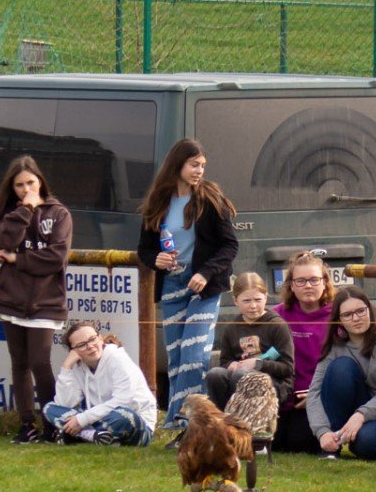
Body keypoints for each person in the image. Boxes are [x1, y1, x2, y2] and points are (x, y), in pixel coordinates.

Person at [136, 138, 238, 434]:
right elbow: (144, 250)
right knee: (177, 356)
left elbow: (230, 245)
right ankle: (180, 420)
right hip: (172, 285)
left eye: (203, 166)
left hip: (204, 286)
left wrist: (206, 273)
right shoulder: (157, 203)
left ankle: (189, 419)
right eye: (194, 165)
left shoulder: (210, 198)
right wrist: (158, 259)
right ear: (177, 165)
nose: (199, 171)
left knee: (195, 354)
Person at [0, 156, 72, 444]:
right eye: (19, 185)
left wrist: (17, 259)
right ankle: (26, 425)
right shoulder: (10, 214)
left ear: (40, 181)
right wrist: (25, 210)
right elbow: (4, 242)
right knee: (19, 362)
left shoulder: (59, 213)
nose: (26, 188)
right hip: (12, 299)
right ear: (11, 188)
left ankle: (51, 422)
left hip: (46, 301)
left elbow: (56, 257)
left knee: (40, 361)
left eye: (30, 182)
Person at [306, 287, 376, 461]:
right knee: (341, 368)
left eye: (360, 311)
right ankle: (333, 447)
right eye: (348, 314)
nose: (356, 318)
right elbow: (314, 393)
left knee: (364, 442)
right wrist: (322, 432)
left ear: (369, 311)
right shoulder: (335, 348)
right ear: (339, 320)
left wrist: (360, 416)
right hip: (358, 409)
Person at [41, 321, 158, 446]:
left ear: (100, 338)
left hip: (134, 422)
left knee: (125, 415)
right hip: (98, 420)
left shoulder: (118, 358)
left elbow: (124, 401)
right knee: (50, 408)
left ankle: (83, 435)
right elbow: (65, 403)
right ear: (73, 351)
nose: (90, 346)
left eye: (92, 339)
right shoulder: (77, 366)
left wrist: (82, 420)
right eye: (81, 345)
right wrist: (66, 367)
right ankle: (97, 436)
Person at [203, 272, 294, 413]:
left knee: (242, 376)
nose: (253, 306)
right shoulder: (232, 329)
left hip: (275, 383)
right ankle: (220, 421)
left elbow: (288, 368)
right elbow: (225, 361)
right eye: (246, 301)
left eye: (258, 300)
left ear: (265, 296)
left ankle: (245, 422)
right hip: (240, 379)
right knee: (215, 374)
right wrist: (230, 365)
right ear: (235, 300)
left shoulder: (277, 325)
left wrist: (258, 364)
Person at [274, 251, 335, 455]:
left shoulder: (338, 314)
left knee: (300, 442)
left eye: (314, 280)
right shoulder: (277, 316)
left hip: (322, 396)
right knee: (278, 443)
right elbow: (269, 355)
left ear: (325, 282)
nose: (308, 285)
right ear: (291, 285)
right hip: (286, 395)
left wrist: (317, 394)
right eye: (300, 281)